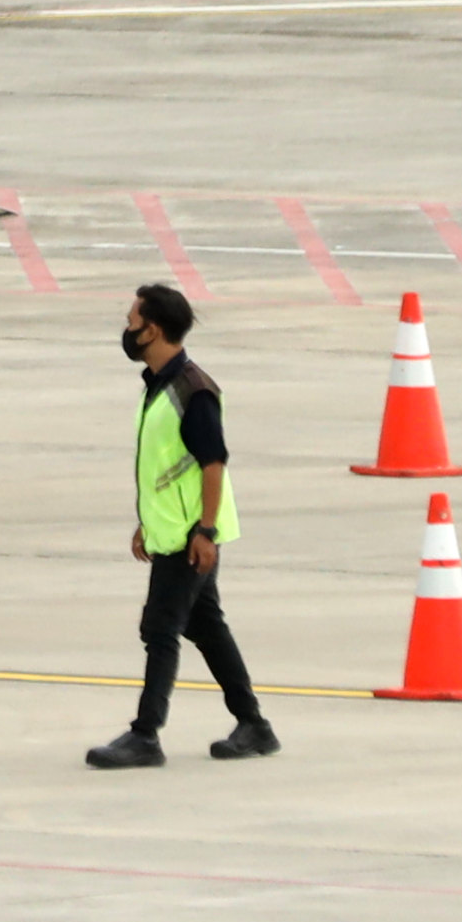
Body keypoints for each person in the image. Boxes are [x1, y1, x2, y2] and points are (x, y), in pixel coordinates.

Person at [91, 282, 278, 769]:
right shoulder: (160, 386)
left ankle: (146, 735)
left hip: (190, 538)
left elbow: (212, 463)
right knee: (207, 627)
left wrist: (206, 531)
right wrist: (146, 524)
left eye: (132, 323)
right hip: (173, 531)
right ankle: (254, 724)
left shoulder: (192, 391)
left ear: (152, 329)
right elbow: (165, 467)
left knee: (160, 629)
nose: (128, 330)